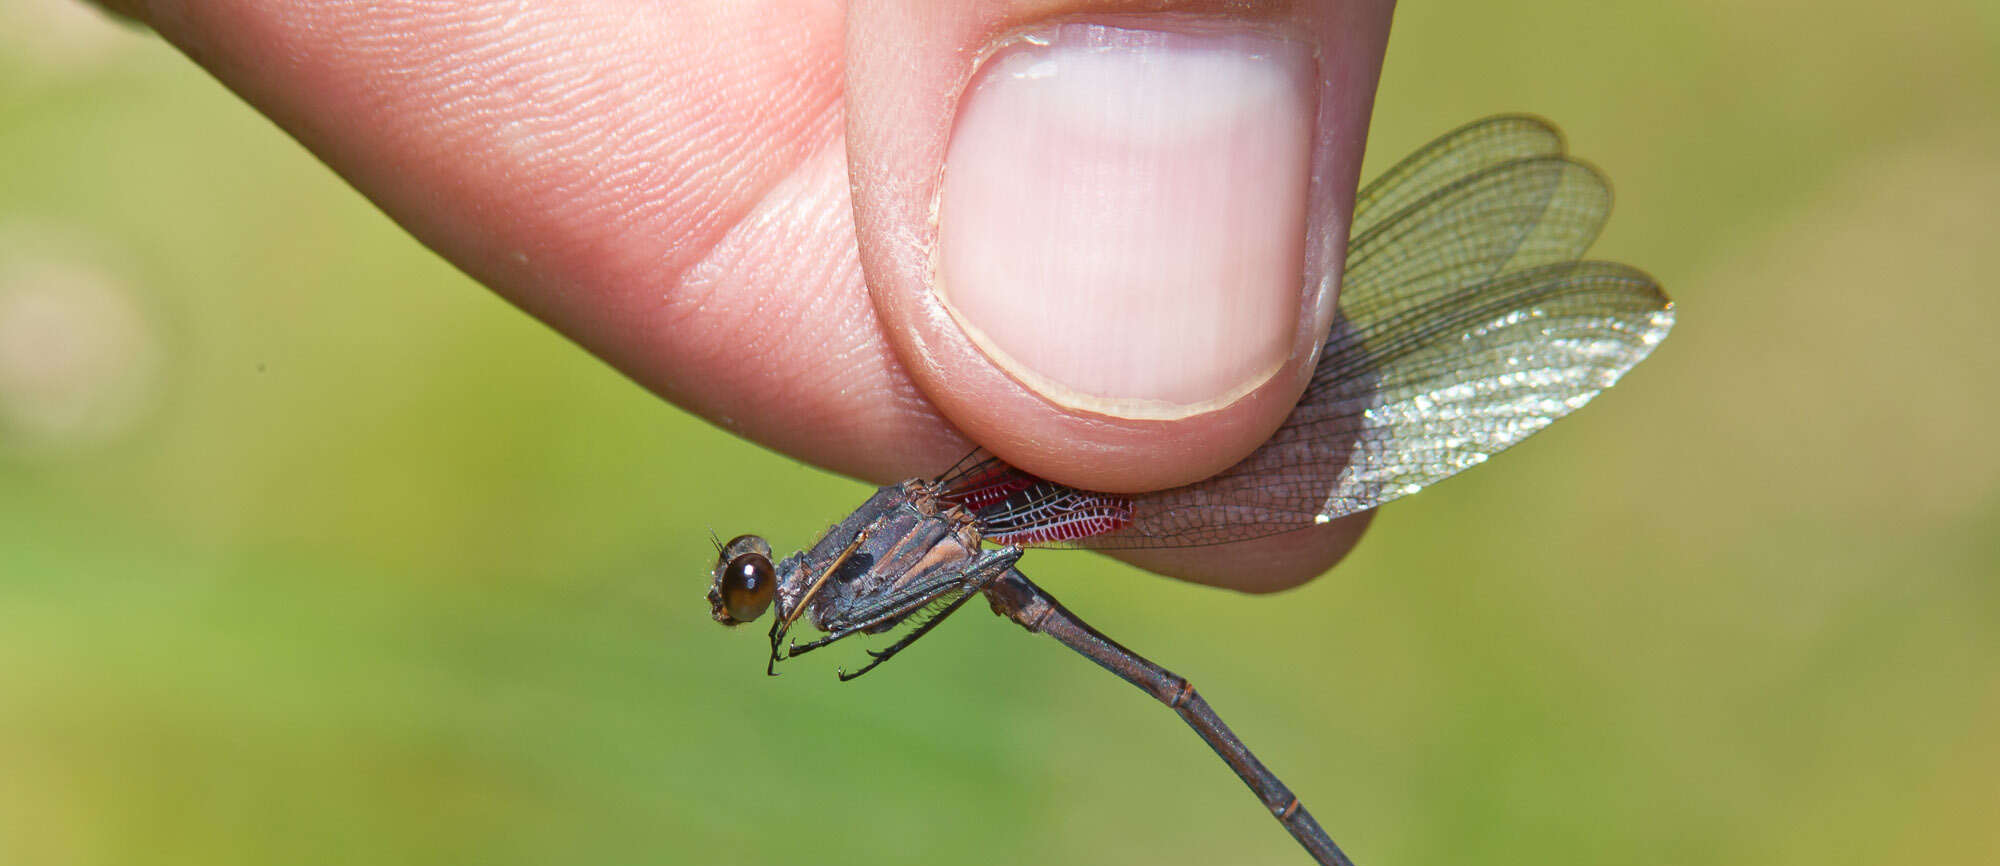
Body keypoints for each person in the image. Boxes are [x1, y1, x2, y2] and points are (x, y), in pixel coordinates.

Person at [102, 0, 1395, 590]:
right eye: (745, 585)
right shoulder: (856, 564)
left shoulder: (872, 555)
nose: (751, 588)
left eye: (745, 585)